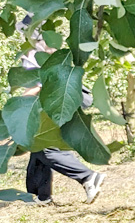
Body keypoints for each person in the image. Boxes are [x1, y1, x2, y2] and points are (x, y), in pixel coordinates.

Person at [16, 18, 106, 205]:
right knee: (38, 143)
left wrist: (19, 107)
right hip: (66, 96)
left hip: (61, 99)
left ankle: (88, 177)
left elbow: (39, 85)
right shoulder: (47, 47)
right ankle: (40, 196)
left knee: (45, 146)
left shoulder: (35, 52)